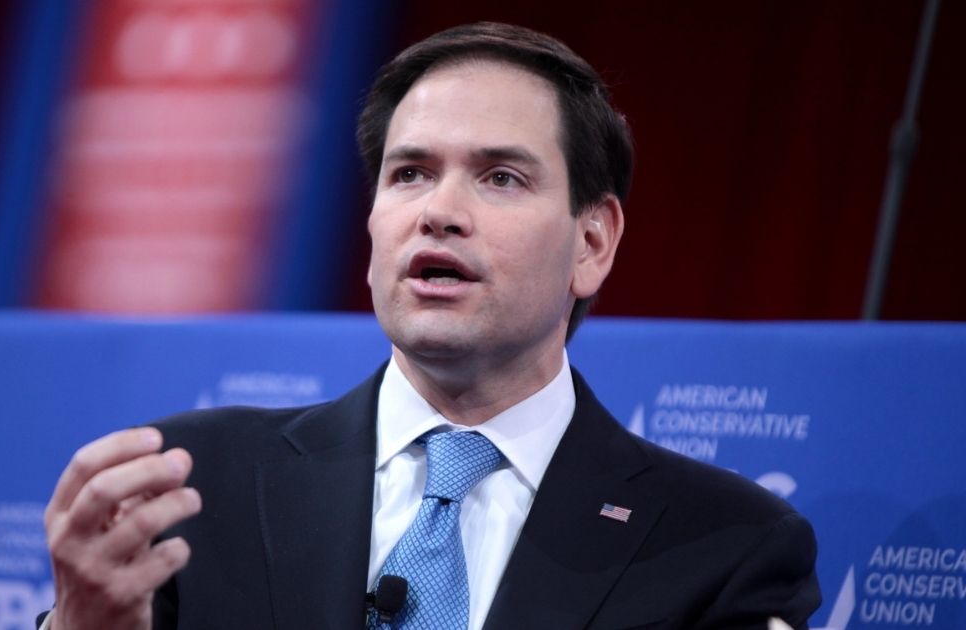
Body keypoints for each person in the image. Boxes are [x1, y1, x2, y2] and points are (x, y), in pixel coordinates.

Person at [40, 22, 821, 630]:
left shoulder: (722, 545)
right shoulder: (193, 488)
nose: (439, 212)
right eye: (409, 173)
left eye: (501, 177)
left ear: (592, 244)